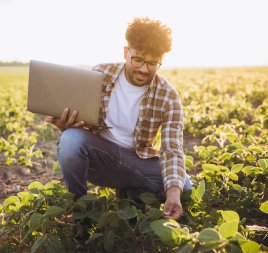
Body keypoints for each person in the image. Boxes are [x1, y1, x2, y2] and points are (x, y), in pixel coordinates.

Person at [45, 17, 192, 220]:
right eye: (138, 59)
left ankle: (130, 192)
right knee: (70, 138)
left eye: (152, 63)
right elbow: (80, 128)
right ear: (126, 52)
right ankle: (81, 213)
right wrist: (66, 126)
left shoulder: (168, 96)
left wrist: (173, 193)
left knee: (184, 187)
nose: (143, 69)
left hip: (136, 160)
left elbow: (172, 149)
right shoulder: (100, 74)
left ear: (161, 61)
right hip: (99, 154)